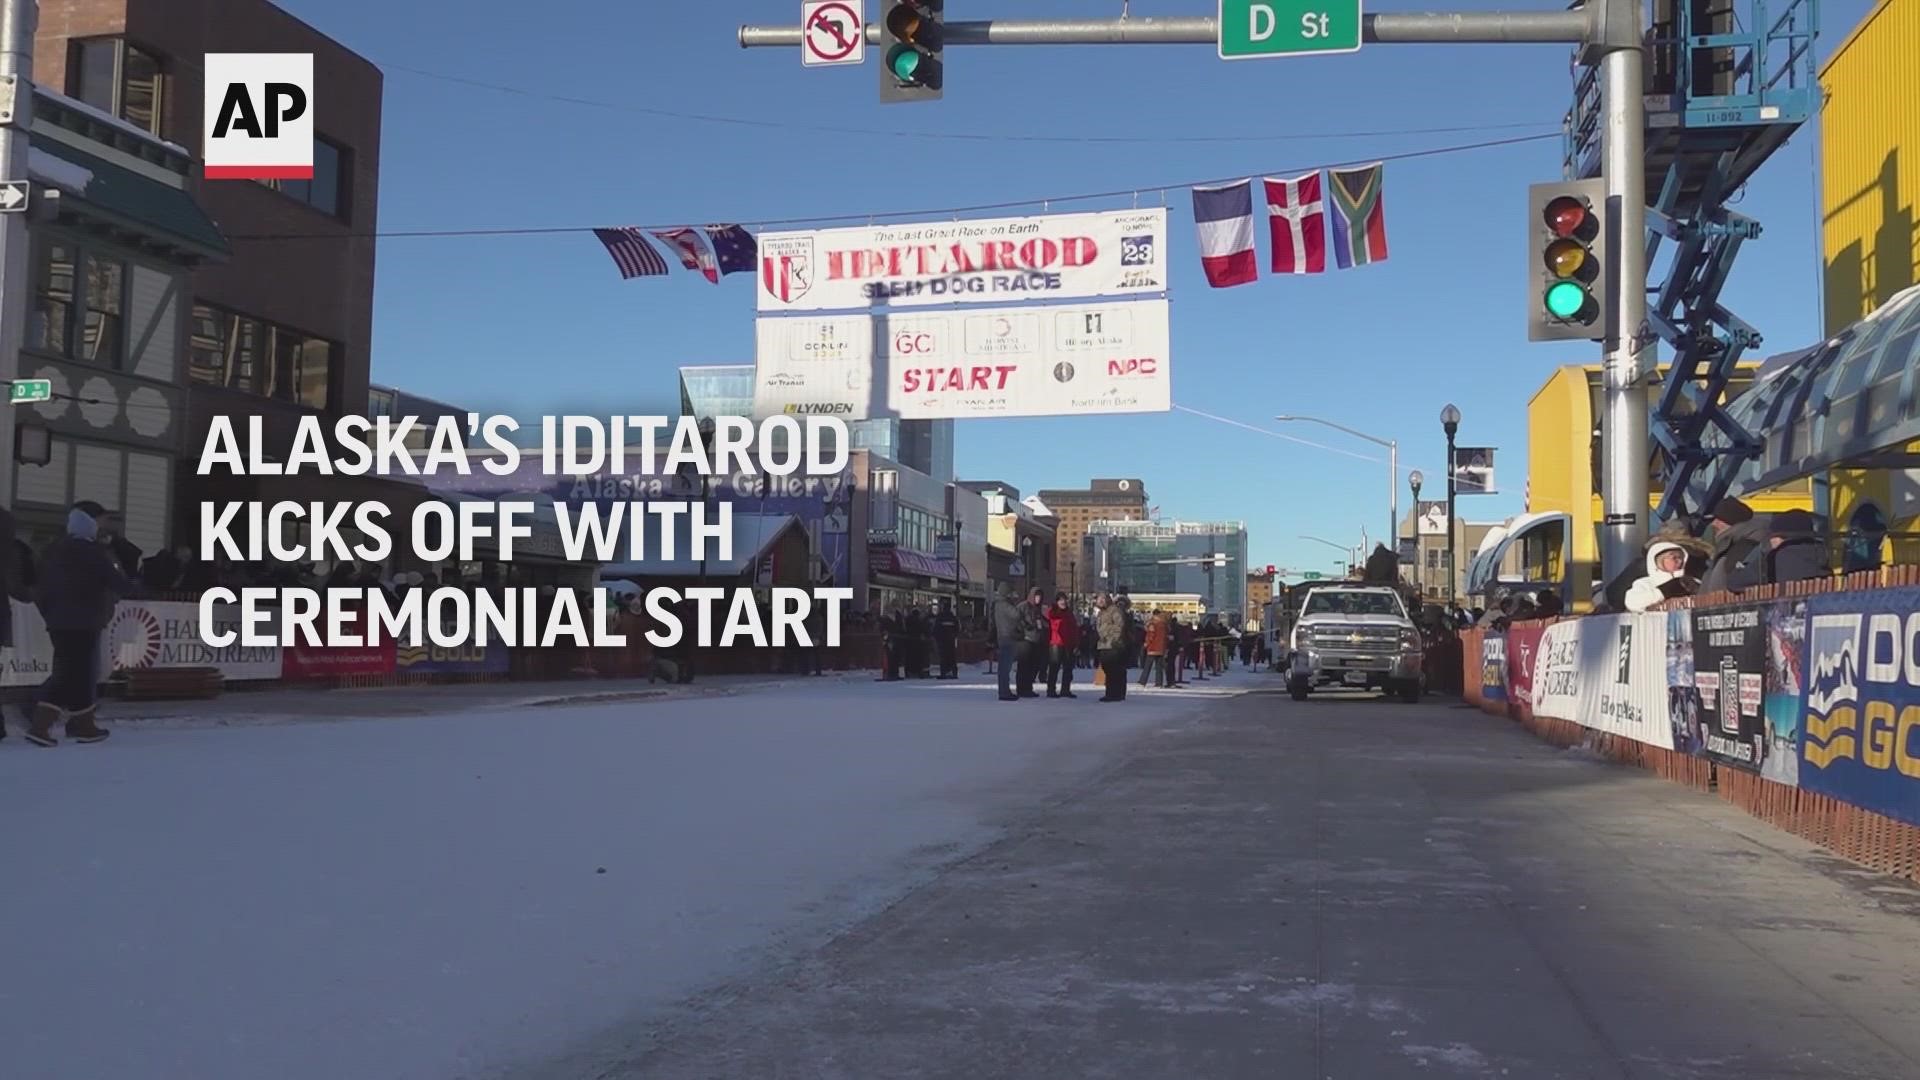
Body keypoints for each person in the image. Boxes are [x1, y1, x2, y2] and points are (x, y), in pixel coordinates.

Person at [24, 505, 140, 747]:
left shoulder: (55, 551)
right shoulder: (92, 552)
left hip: (58, 620)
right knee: (72, 674)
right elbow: (120, 584)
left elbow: (42, 585)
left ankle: (83, 725)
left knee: (75, 673)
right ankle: (42, 725)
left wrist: (50, 613)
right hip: (84, 621)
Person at [1625, 540, 1699, 613]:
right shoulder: (1645, 583)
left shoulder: (1691, 581)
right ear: (1660, 560)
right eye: (1674, 557)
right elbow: (1632, 603)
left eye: (1681, 558)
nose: (1679, 561)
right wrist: (1663, 591)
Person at [1094, 592, 1129, 702]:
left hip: (1113, 645)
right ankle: (1113, 692)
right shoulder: (1101, 613)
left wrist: (1113, 639)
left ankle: (1114, 693)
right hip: (1103, 644)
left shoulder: (1114, 610)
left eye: (1102, 599)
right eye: (1099, 599)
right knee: (1107, 669)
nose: (1100, 601)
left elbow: (1119, 626)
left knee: (1114, 670)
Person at [1044, 591, 1079, 699]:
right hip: (1056, 643)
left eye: (1064, 600)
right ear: (1057, 601)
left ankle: (1065, 689)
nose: (1063, 602)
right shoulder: (1052, 612)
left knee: (1068, 668)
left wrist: (1076, 643)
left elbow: (1074, 628)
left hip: (1068, 644)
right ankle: (1051, 690)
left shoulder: (1069, 613)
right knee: (1054, 667)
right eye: (1060, 600)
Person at [1014, 586, 1047, 698]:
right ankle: (1021, 688)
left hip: (1036, 640)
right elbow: (1016, 620)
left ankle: (1028, 687)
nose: (1038, 598)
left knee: (1034, 666)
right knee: (1023, 666)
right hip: (1025, 640)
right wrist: (1024, 627)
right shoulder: (1023, 606)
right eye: (1036, 596)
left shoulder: (1038, 609)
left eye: (1040, 596)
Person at [991, 586, 1021, 702]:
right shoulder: (1004, 605)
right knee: (1005, 667)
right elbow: (1016, 615)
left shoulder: (997, 605)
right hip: (1008, 637)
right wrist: (1014, 603)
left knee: (1003, 667)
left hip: (1002, 637)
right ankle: (1004, 692)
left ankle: (1004, 690)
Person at [1139, 609, 1169, 688]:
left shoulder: (1153, 624)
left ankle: (1143, 681)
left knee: (1147, 665)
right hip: (1161, 648)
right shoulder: (1164, 624)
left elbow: (1151, 635)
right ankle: (1159, 682)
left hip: (1153, 647)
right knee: (1159, 667)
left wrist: (1146, 643)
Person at [931, 598, 960, 679]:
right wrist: (954, 636)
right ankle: (954, 672)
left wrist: (935, 637)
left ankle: (944, 672)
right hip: (951, 641)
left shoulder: (940, 617)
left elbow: (936, 628)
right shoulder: (953, 617)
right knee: (952, 657)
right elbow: (957, 629)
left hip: (942, 641)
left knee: (943, 657)